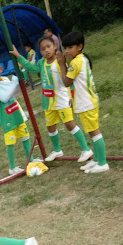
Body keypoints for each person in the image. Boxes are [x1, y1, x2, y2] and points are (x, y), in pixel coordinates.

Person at [10, 37, 92, 163]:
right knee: (50, 126)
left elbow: (69, 79)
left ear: (54, 46)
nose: (46, 50)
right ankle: (57, 149)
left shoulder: (60, 61)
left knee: (69, 124)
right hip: (48, 102)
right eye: (43, 49)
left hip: (62, 100)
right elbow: (31, 68)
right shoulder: (41, 63)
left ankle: (86, 149)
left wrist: (71, 96)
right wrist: (18, 56)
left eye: (48, 47)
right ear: (40, 52)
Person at [56, 31, 109, 173]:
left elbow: (66, 82)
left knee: (94, 132)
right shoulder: (81, 59)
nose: (66, 51)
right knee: (91, 132)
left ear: (79, 46)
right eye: (65, 48)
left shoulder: (76, 62)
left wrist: (61, 64)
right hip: (86, 101)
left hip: (87, 103)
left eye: (70, 47)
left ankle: (102, 163)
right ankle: (96, 159)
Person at [0, 58, 32, 175]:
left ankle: (30, 160)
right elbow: (5, 97)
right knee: (10, 142)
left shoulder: (6, 79)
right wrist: (16, 80)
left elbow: (14, 89)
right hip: (6, 117)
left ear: (0, 69)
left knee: (25, 136)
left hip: (16, 112)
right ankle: (12, 167)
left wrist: (17, 79)